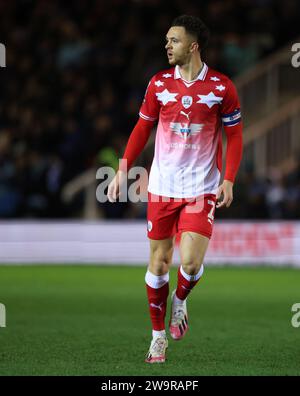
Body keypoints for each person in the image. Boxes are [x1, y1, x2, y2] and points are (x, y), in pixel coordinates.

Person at [107, 15, 243, 363]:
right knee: (159, 262)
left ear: (193, 46)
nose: (167, 46)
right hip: (163, 187)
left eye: (174, 41)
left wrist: (228, 178)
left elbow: (235, 135)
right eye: (167, 40)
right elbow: (142, 128)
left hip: (201, 188)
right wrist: (123, 169)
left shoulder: (221, 87)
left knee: (193, 263)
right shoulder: (158, 85)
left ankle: (180, 301)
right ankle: (157, 337)